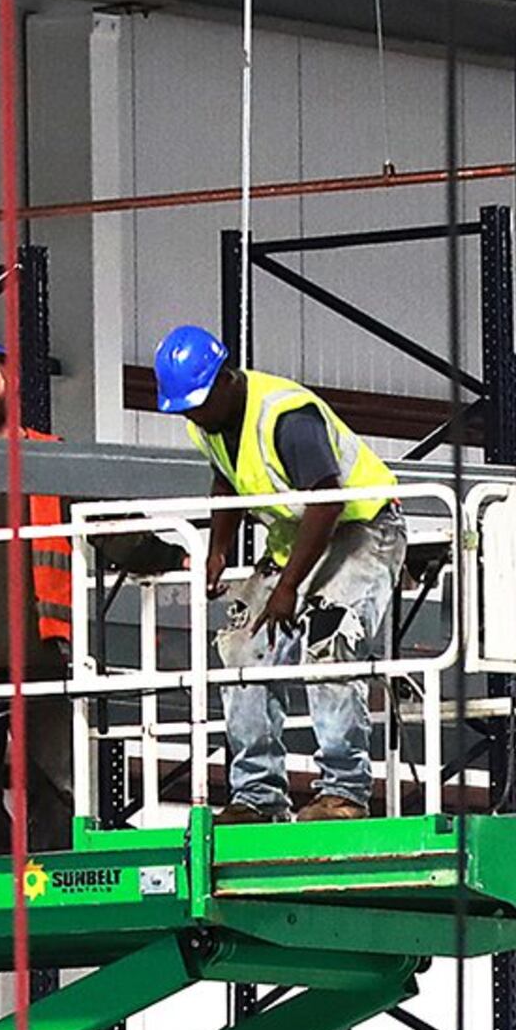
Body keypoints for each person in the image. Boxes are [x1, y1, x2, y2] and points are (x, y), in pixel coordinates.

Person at [0, 337, 165, 858]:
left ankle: (49, 873)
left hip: (40, 648)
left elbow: (109, 526)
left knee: (50, 779)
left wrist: (169, 554)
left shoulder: (52, 457)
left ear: (10, 379)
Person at [149, 324, 406, 821]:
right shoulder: (204, 423)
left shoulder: (287, 417)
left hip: (363, 526)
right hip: (296, 538)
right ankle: (257, 795)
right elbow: (227, 480)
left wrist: (287, 588)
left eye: (199, 403)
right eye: (185, 409)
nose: (194, 415)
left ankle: (343, 792)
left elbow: (327, 501)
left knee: (329, 637)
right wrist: (218, 551)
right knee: (242, 647)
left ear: (227, 379)